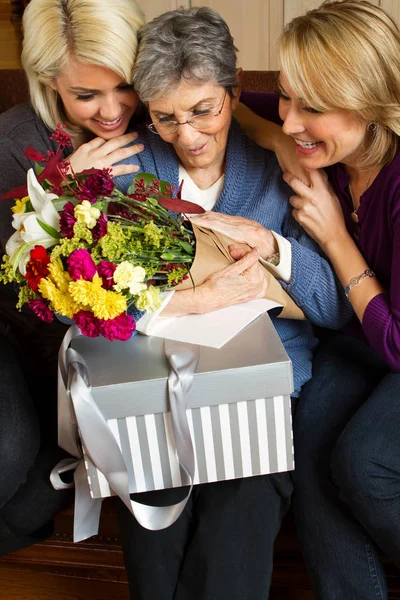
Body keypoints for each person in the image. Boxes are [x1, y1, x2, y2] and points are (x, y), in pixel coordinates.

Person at [112, 7, 352, 599]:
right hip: (153, 395)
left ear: (236, 93)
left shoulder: (283, 165)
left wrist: (273, 247)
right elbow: (83, 305)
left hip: (258, 395)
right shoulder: (127, 169)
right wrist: (194, 301)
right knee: (154, 526)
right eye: (164, 118)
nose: (187, 136)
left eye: (204, 111)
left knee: (235, 535)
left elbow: (333, 307)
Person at [234, 1, 400, 598]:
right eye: (287, 97)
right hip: (353, 344)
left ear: (372, 104)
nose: (293, 118)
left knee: (363, 462)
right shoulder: (317, 147)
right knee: (308, 446)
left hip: (394, 349)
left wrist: (333, 235)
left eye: (315, 107)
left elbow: (398, 343)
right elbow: (233, 109)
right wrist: (278, 139)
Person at [0, 0, 145, 556]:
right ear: (48, 82)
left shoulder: (155, 117)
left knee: (39, 496)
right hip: (11, 329)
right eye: (86, 95)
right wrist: (61, 196)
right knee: (9, 449)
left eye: (125, 86)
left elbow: (230, 102)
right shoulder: (14, 140)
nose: (112, 111)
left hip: (80, 348)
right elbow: (16, 276)